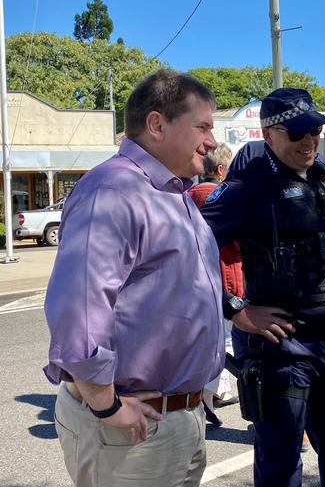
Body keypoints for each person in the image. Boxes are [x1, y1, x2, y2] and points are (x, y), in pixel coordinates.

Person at [44, 69, 224, 487]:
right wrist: (106, 406)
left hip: (178, 418)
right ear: (157, 124)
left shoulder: (171, 191)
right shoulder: (113, 190)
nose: (212, 142)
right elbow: (78, 313)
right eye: (203, 127)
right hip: (129, 428)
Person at [201, 87, 325, 487]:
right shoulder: (247, 189)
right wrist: (235, 310)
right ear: (268, 135)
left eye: (314, 131)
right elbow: (185, 252)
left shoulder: (324, 178)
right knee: (280, 466)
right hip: (282, 352)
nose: (309, 140)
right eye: (297, 133)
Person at [188, 144, 239, 427]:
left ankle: (211, 394)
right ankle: (210, 393)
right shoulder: (222, 197)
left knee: (205, 339)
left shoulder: (184, 197)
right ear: (220, 170)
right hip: (224, 280)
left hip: (194, 282)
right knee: (229, 341)